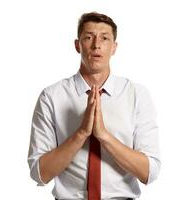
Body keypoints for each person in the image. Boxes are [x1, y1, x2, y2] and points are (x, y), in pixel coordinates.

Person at [28, 12, 161, 200]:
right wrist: (81, 133)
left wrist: (104, 136)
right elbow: (39, 173)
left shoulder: (137, 95)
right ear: (77, 45)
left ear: (114, 47)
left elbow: (150, 172)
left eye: (105, 38)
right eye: (88, 37)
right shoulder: (51, 97)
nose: (96, 45)